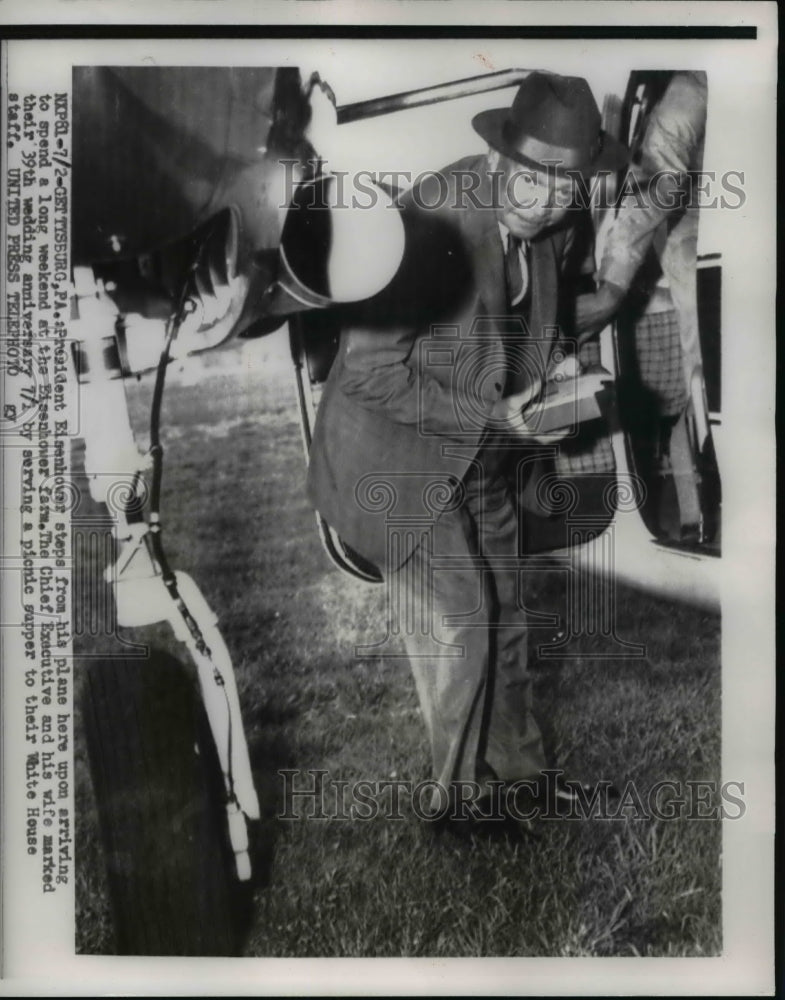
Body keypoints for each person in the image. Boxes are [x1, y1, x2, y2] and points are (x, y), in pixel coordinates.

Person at [307, 72, 628, 832]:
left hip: (479, 442)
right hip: (396, 456)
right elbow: (367, 373)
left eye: (564, 185)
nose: (544, 198)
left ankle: (519, 777)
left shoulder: (554, 223)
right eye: (530, 176)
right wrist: (495, 411)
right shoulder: (426, 220)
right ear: (495, 158)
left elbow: (528, 330)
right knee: (462, 619)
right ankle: (456, 805)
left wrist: (558, 381)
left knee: (510, 609)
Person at [575, 72, 715, 541]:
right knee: (709, 359)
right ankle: (698, 476)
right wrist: (612, 288)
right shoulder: (695, 86)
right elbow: (658, 172)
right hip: (701, 226)